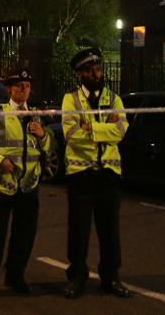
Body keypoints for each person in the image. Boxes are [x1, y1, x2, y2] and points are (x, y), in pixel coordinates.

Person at [0, 70, 52, 302]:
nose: (23, 90)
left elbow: (48, 150)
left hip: (29, 186)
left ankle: (15, 276)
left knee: (24, 236)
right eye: (18, 86)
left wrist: (43, 135)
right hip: (3, 186)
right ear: (9, 90)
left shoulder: (36, 116)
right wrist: (0, 161)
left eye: (26, 86)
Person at [62, 47, 131, 299]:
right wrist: (104, 129)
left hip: (109, 173)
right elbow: (71, 134)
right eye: (91, 69)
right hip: (81, 174)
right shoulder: (71, 99)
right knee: (78, 230)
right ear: (80, 73)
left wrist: (89, 127)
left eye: (98, 68)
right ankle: (77, 277)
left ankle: (110, 277)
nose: (97, 73)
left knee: (109, 230)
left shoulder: (114, 99)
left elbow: (121, 131)